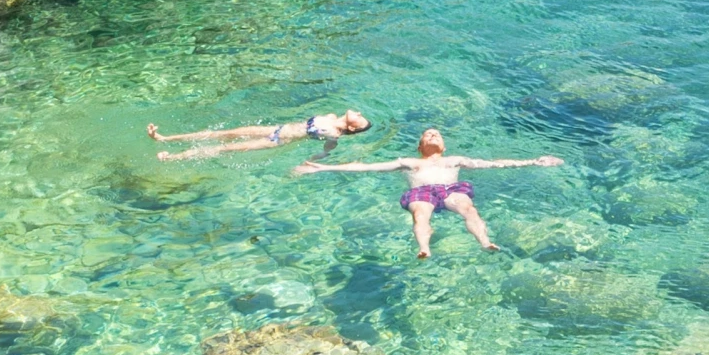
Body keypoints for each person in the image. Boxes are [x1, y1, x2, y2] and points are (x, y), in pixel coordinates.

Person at [295, 127, 563, 258]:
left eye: (437, 134)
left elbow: (493, 164)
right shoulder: (409, 162)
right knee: (420, 215)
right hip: (421, 192)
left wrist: (533, 161)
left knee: (468, 208)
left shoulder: (454, 160)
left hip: (451, 190)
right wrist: (322, 168)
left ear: (444, 146)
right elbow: (366, 167)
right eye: (428, 134)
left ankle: (484, 242)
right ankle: (424, 248)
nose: (433, 135)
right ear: (419, 146)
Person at [147, 109, 370, 161]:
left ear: (352, 128)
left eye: (361, 119)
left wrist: (313, 161)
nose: (359, 113)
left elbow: (327, 150)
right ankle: (165, 138)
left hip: (275, 140)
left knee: (225, 148)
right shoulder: (330, 116)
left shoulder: (334, 133)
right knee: (225, 133)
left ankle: (173, 157)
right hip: (274, 129)